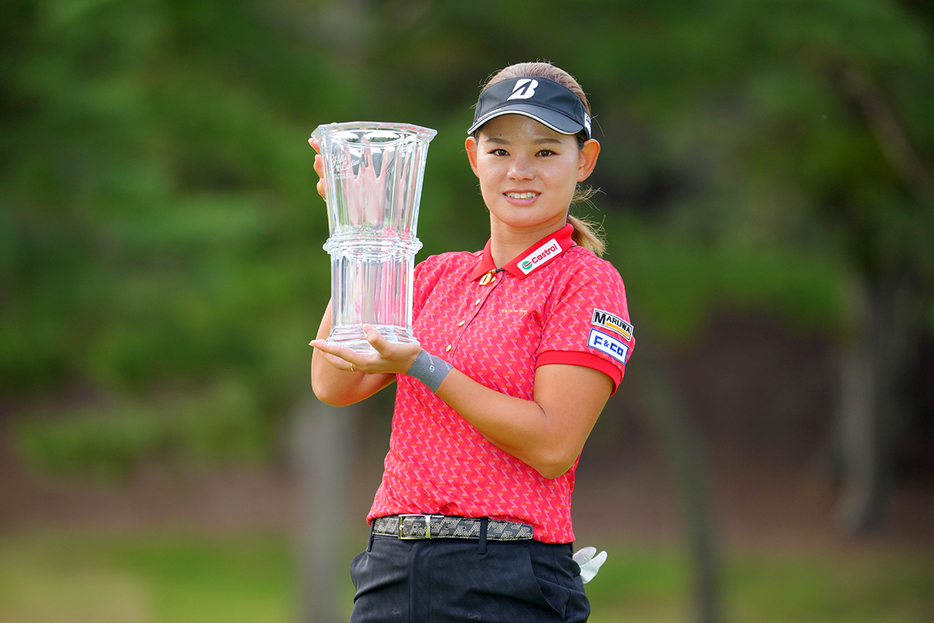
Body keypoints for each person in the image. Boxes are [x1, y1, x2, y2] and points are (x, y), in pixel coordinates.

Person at [308, 61, 634, 623]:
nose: (520, 171)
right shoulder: (433, 274)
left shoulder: (585, 280)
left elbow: (553, 445)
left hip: (506, 573)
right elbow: (334, 381)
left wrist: (423, 365)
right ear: (472, 158)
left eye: (546, 151)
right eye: (500, 150)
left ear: (585, 161)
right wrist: (362, 229)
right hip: (393, 567)